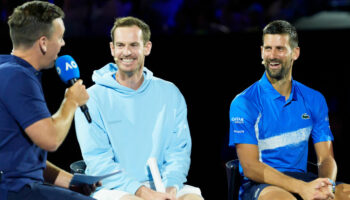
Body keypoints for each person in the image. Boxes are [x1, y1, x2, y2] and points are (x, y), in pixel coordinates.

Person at [74, 16, 203, 200]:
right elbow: (99, 163)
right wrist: (143, 193)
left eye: (134, 45)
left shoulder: (170, 93)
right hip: (113, 187)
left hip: (163, 184)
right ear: (112, 49)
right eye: (120, 45)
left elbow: (179, 150)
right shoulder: (91, 98)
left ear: (147, 48)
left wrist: (171, 186)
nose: (126, 52)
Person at [229, 20, 350, 200]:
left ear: (295, 53)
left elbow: (325, 159)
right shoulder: (244, 102)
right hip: (260, 185)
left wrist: (327, 186)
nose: (273, 55)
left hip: (303, 181)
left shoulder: (314, 99)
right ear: (261, 52)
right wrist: (303, 188)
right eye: (268, 48)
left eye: (280, 49)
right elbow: (250, 167)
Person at [0, 1, 99, 200]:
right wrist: (71, 100)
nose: (63, 44)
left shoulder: (8, 69)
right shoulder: (18, 78)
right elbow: (51, 140)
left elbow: (25, 160)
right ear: (43, 42)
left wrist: (72, 181)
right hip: (14, 190)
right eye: (60, 37)